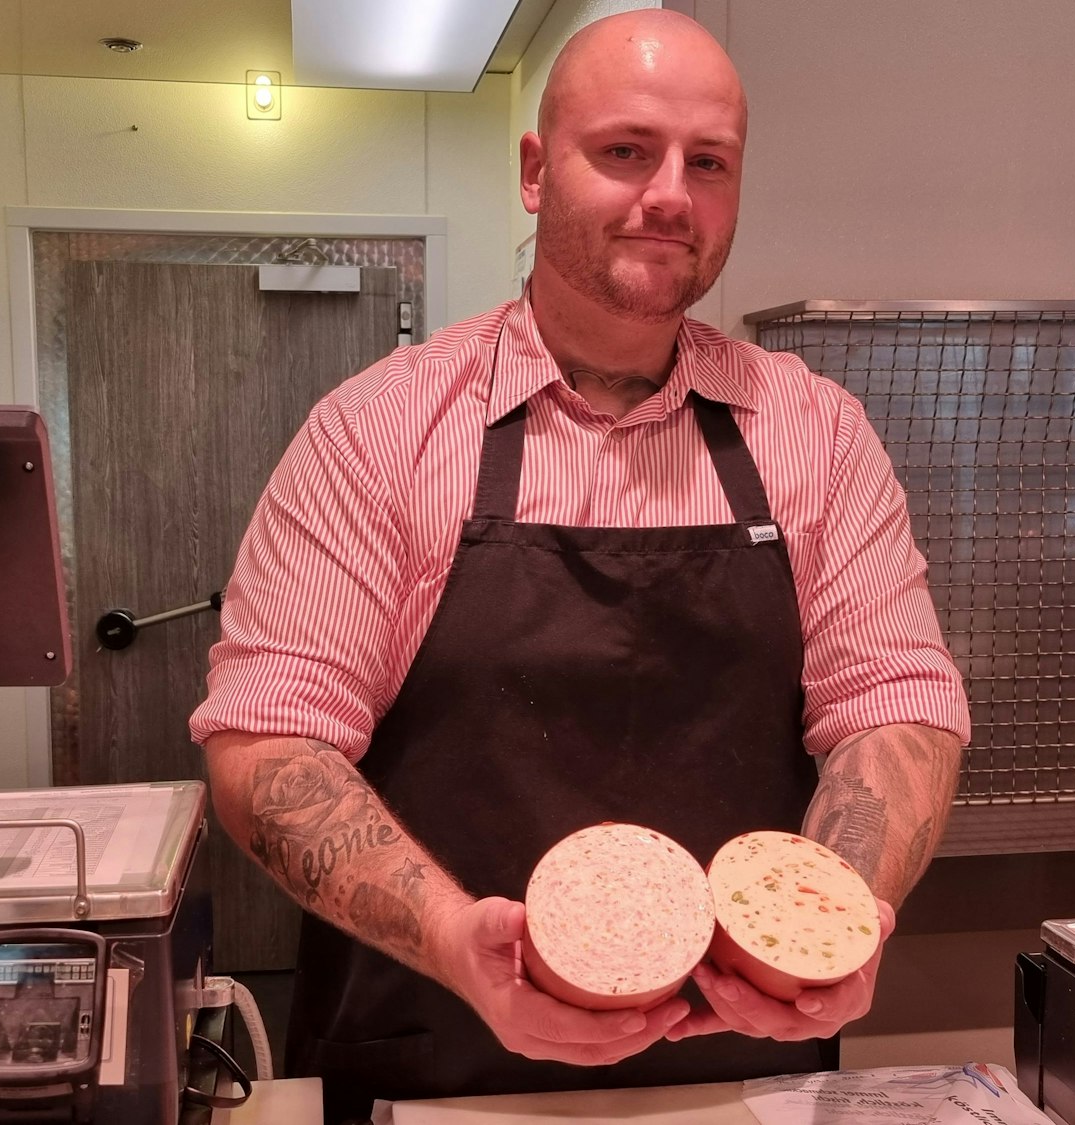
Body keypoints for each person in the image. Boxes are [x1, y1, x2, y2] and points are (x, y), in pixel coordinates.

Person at [190, 8, 969, 1118]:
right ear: (532, 170)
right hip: (437, 1063)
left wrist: (836, 910)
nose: (667, 195)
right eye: (623, 150)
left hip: (745, 1076)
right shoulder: (380, 432)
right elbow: (270, 743)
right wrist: (460, 944)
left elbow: (895, 707)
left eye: (707, 163)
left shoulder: (814, 433)